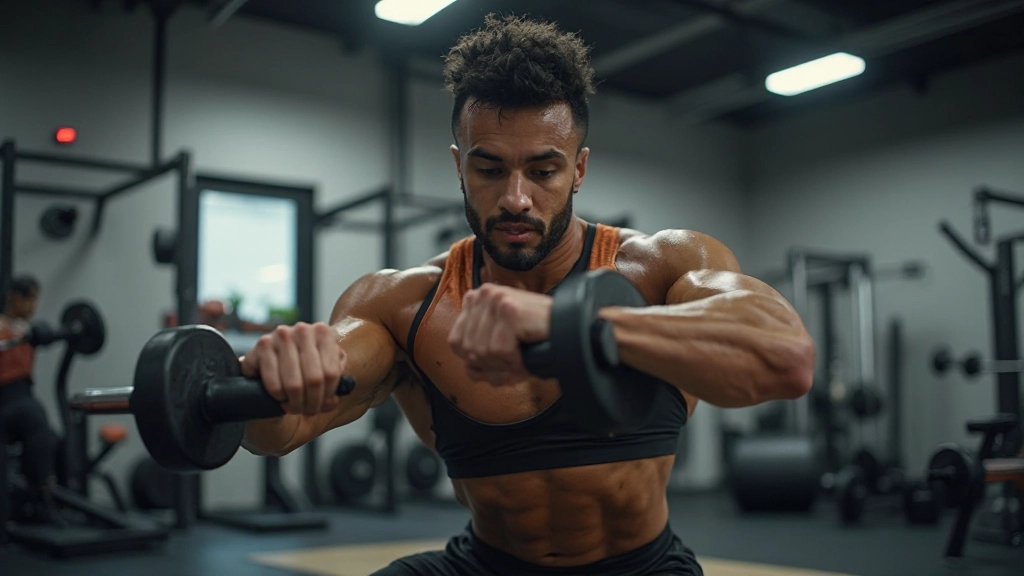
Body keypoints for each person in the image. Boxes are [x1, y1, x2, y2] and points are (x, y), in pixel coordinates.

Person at [241, 15, 815, 576]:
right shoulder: (403, 305)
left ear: (579, 170)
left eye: (543, 171)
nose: (516, 198)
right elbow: (279, 434)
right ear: (458, 167)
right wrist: (276, 375)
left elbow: (786, 359)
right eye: (489, 168)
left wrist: (576, 328)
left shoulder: (665, 266)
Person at [0, 275, 63, 525]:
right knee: (33, 413)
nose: (34, 305)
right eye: (30, 298)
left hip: (23, 399)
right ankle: (38, 496)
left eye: (37, 298)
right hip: (4, 401)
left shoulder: (28, 331)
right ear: (13, 297)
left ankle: (43, 495)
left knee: (53, 438)